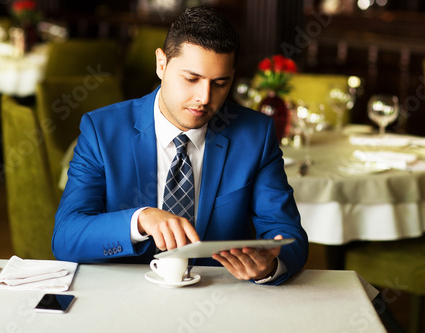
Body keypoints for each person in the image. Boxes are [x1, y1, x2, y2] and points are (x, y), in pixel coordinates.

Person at [52, 6, 308, 285]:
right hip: (125, 298)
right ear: (161, 64)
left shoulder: (255, 135)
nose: (204, 97)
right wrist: (139, 220)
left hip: (220, 299)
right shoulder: (102, 131)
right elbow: (66, 237)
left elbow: (287, 233)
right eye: (191, 79)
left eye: (220, 83)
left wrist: (270, 265)